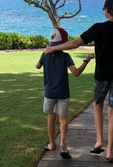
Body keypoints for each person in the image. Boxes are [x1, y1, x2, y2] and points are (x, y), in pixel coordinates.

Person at [45, 0, 113, 163]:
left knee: (98, 105)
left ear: (107, 10)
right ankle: (109, 151)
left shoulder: (98, 28)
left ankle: (99, 140)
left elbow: (75, 44)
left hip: (101, 76)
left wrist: (54, 48)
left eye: (104, 8)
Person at [36, 27, 94, 159]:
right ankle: (63, 145)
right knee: (63, 119)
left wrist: (45, 55)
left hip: (49, 92)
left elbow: (37, 66)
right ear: (63, 42)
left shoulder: (45, 54)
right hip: (63, 93)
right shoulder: (65, 56)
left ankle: (51, 144)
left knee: (51, 117)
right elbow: (76, 73)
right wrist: (86, 60)